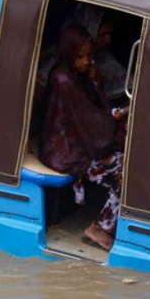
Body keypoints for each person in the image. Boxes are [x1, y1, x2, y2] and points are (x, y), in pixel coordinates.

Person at [38, 25, 128, 252]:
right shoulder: (64, 80)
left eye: (89, 56)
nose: (87, 61)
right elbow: (90, 121)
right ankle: (100, 228)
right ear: (69, 54)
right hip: (67, 151)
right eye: (81, 56)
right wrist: (120, 114)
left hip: (77, 143)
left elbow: (92, 111)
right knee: (125, 173)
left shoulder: (75, 75)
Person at [62, 3, 128, 104]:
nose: (108, 40)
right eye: (103, 35)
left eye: (110, 34)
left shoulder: (104, 60)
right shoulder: (60, 72)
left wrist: (98, 84)